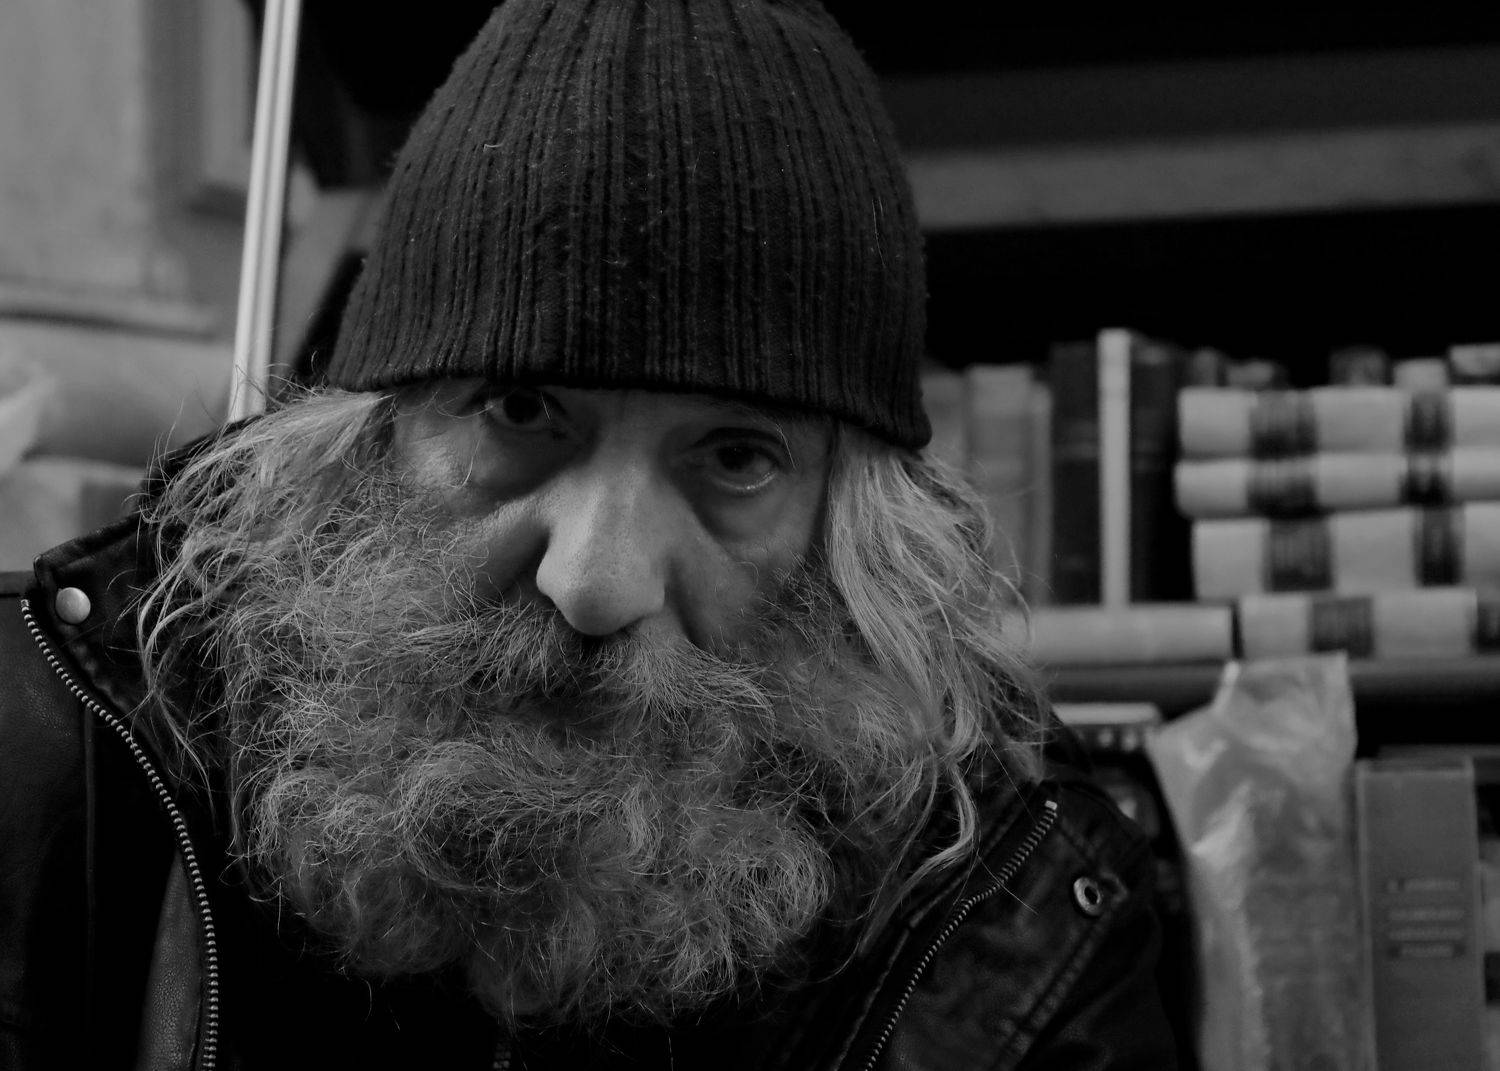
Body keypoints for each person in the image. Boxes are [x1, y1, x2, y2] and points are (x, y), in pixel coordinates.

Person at [0, 1, 1178, 1067]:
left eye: (736, 458)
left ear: (846, 537)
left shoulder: (1014, 935)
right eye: (520, 412)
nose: (595, 583)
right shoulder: (39, 763)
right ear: (360, 448)